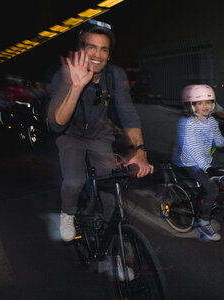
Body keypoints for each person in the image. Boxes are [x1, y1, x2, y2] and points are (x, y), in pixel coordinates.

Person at [47, 21, 154, 242]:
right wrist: (75, 87)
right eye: (91, 47)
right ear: (81, 50)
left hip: (99, 136)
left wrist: (140, 151)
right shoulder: (64, 75)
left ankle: (114, 249)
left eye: (104, 49)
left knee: (111, 195)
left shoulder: (115, 75)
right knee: (74, 182)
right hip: (71, 136)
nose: (98, 54)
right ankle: (67, 213)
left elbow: (127, 112)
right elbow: (56, 124)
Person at [173, 84, 224, 241]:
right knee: (212, 188)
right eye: (199, 103)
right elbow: (191, 149)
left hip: (204, 160)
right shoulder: (187, 123)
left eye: (208, 102)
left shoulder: (212, 121)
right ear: (191, 106)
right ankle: (204, 223)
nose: (205, 106)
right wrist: (207, 167)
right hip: (188, 162)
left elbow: (218, 142)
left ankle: (205, 202)